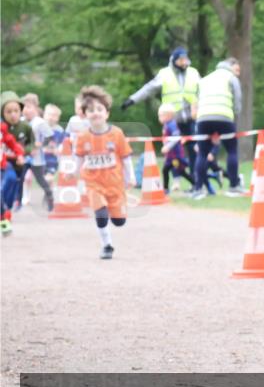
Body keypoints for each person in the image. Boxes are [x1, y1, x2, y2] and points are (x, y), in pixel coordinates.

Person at [74, 86, 135, 259]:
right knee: (100, 214)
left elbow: (126, 157)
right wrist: (74, 172)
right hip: (94, 184)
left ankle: (115, 211)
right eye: (91, 110)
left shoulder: (116, 134)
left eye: (99, 109)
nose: (96, 113)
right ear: (85, 114)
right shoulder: (83, 136)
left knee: (119, 222)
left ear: (107, 113)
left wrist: (130, 176)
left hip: (115, 183)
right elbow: (79, 157)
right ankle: (107, 245)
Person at [122, 47, 200, 167]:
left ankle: (196, 180)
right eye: (181, 60)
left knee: (194, 148)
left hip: (191, 118)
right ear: (174, 60)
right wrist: (132, 100)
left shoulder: (194, 72)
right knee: (173, 152)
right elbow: (149, 89)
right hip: (172, 120)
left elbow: (203, 90)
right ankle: (177, 180)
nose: (184, 62)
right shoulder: (165, 74)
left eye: (185, 59)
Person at [191, 58, 245, 198]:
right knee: (231, 150)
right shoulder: (231, 78)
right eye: (237, 69)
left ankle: (198, 188)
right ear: (230, 66)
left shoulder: (204, 79)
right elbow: (237, 99)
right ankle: (234, 186)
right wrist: (234, 115)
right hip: (224, 117)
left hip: (203, 118)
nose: (238, 73)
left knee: (202, 153)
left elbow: (196, 99)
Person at [20, 94, 55, 211]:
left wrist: (41, 145)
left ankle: (50, 198)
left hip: (37, 158)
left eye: (29, 106)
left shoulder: (39, 122)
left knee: (41, 180)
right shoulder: (20, 121)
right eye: (24, 107)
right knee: (19, 178)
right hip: (23, 157)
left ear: (35, 107)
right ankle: (17, 201)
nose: (26, 109)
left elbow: (49, 136)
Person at [1, 92, 34, 214]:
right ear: (2, 113)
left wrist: (24, 152)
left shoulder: (25, 127)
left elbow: (32, 143)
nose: (13, 115)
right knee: (7, 181)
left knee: (17, 183)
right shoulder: (2, 127)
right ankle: (3, 207)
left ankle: (13, 204)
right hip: (4, 161)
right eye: (8, 112)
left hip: (19, 161)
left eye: (16, 111)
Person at [1, 106, 26, 236]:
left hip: (2, 166)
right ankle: (3, 219)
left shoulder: (2, 128)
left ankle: (6, 212)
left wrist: (20, 154)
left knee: (11, 180)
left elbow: (11, 142)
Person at [158, 104, 194, 193]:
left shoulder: (172, 124)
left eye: (161, 115)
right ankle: (166, 189)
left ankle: (196, 183)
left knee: (179, 171)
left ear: (169, 115)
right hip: (170, 156)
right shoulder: (166, 125)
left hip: (175, 155)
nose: (159, 118)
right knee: (167, 170)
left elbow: (176, 137)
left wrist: (167, 147)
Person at [42, 104, 65, 176]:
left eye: (54, 115)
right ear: (44, 115)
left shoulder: (59, 130)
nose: (51, 117)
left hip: (53, 160)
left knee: (49, 178)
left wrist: (59, 150)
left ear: (58, 118)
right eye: (49, 114)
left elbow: (62, 144)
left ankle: (50, 187)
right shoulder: (40, 128)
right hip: (40, 159)